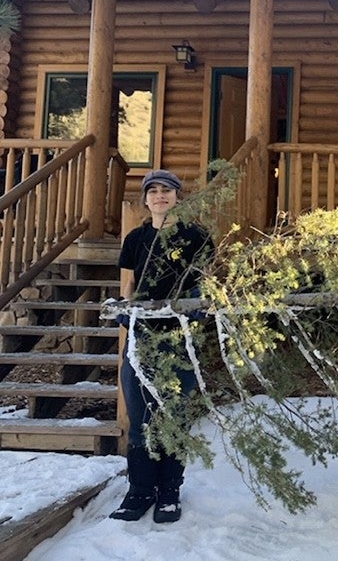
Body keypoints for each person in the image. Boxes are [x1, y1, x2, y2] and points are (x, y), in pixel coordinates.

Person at [110, 169, 212, 523]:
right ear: (146, 199)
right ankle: (140, 491)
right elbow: (129, 282)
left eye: (166, 190)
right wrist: (126, 312)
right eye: (152, 191)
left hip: (178, 337)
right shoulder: (136, 238)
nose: (160, 196)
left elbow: (204, 282)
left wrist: (196, 311)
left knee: (173, 415)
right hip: (142, 338)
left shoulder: (195, 236)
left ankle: (169, 490)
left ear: (177, 197)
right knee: (139, 416)